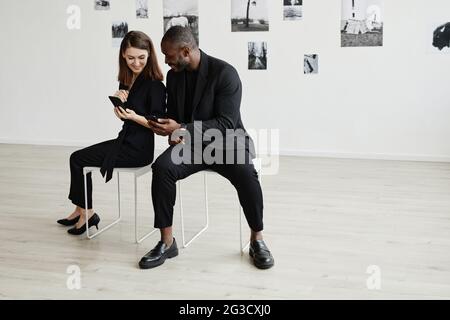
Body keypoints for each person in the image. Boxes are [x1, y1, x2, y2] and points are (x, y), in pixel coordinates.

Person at [139, 26, 274, 270]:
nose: (166, 61)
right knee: (162, 168)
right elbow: (176, 117)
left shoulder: (225, 73)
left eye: (168, 55)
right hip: (192, 146)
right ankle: (167, 242)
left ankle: (257, 239)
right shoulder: (174, 76)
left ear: (185, 51)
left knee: (246, 172)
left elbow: (226, 124)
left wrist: (180, 127)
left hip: (227, 142)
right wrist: (168, 130)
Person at [57, 31, 166, 235]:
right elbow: (127, 116)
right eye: (131, 57)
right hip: (124, 141)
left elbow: (158, 124)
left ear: (149, 55)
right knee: (77, 159)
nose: (136, 63)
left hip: (138, 150)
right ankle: (81, 209)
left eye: (141, 58)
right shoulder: (126, 82)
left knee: (78, 159)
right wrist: (120, 108)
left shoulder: (156, 86)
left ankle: (87, 212)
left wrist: (133, 116)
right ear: (123, 56)